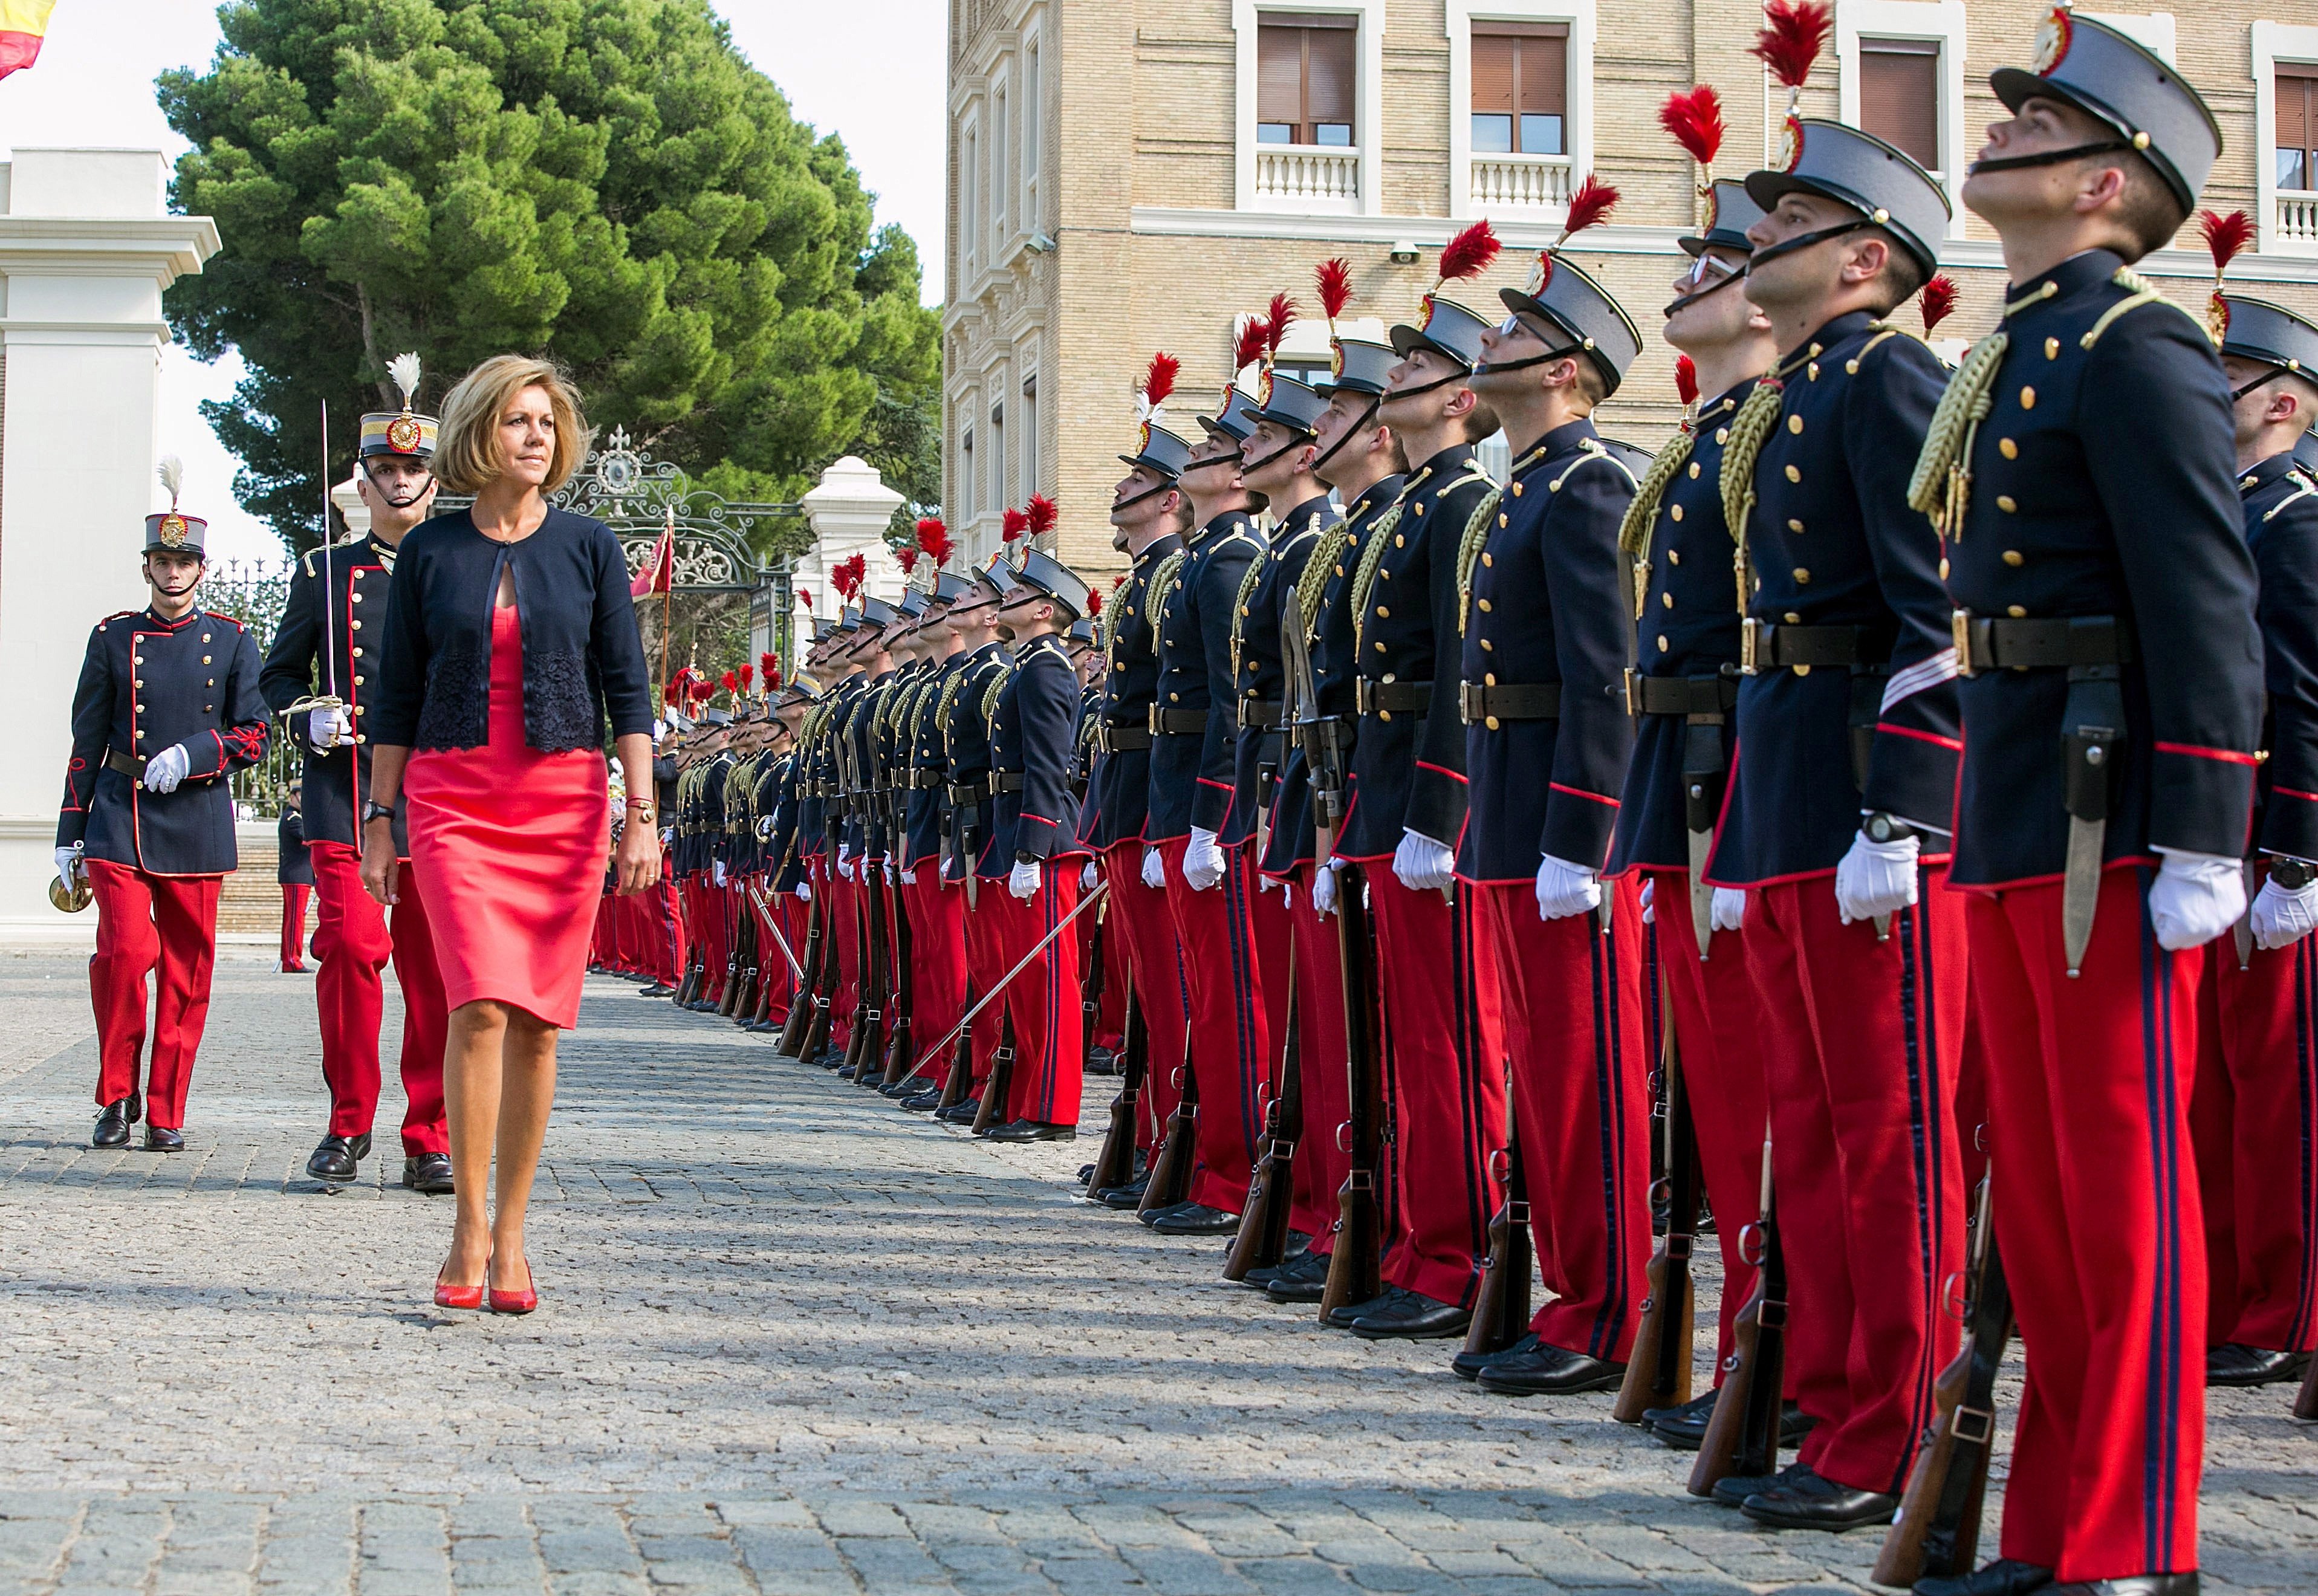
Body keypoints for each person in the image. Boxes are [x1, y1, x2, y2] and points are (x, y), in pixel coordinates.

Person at [1909, 16, 2258, 1591]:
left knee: (2121, 1195)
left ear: (2104, 183)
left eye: (2034, 124)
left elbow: (2203, 593)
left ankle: (2134, 1542)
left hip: (2103, 810)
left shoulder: (2136, 345)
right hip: (2015, 784)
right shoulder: (2018, 343)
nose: (1996, 138)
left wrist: (2209, 825)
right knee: (2039, 1205)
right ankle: (2056, 1528)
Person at [1701, 119, 1967, 1533]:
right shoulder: (1794, 391)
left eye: (1791, 217)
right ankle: (1827, 1400)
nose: (1759, 236)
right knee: (1806, 1127)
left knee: (1886, 1132)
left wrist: (1904, 808)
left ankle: (1893, 1425)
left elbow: (1936, 615)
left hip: (1863, 797)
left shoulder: (1884, 377)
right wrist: (1750, 834)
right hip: (1791, 787)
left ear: (1864, 259)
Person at [363, 354, 658, 1314]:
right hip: (453, 800)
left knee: (537, 1024)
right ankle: (466, 1227)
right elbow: (396, 694)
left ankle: (517, 1233)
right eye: (515, 421)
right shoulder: (430, 554)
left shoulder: (589, 548)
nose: (534, 436)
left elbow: (627, 688)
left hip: (563, 801)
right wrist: (379, 817)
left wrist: (640, 818)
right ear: (477, 434)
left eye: (545, 422)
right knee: (476, 1006)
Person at [1599, 177, 1788, 1450]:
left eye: (1714, 262)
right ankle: (1747, 1347)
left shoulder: (1783, 426)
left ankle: (1781, 1354)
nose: (1686, 280)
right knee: (1722, 1102)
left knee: (1775, 1110)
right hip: (1690, 787)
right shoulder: (1710, 445)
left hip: (1751, 792)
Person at [1458, 245, 1651, 1393]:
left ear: (1566, 372)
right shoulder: (1520, 491)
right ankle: (1571, 1291)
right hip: (1510, 805)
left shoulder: (1586, 489)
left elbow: (1603, 675)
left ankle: (1607, 1309)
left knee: (1586, 1079)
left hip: (1556, 823)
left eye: (1513, 331)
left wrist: (1580, 832)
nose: (1490, 343)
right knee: (1542, 1074)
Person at [1325, 276, 1501, 1339]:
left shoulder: (1460, 506)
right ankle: (1413, 1244)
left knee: (1446, 1047)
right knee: (1403, 1045)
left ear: (1458, 396)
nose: (1390, 378)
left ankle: (1453, 1258)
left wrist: (1437, 810)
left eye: (1410, 367)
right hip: (1377, 791)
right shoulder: (1408, 512)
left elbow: (1455, 677)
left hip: (1424, 800)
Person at [259, 356, 455, 1192]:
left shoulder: (465, 563)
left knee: (436, 970)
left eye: (415, 468)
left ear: (434, 478)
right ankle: (347, 1123)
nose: (401, 481)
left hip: (438, 793)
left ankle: (429, 1131)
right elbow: (275, 676)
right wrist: (304, 715)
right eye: (388, 469)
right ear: (364, 479)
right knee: (346, 945)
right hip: (344, 789)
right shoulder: (322, 573)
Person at [1253, 331, 1407, 1304]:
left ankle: (1418, 1243)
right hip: (1328, 797)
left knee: (1407, 1042)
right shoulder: (1351, 534)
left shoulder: (1429, 515)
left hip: (1400, 804)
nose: (1315, 433)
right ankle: (1340, 1213)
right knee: (1329, 1031)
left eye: (1331, 414)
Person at [57, 461, 270, 1152]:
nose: (172, 572)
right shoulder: (112, 636)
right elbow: (86, 738)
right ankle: (116, 1095)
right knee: (123, 953)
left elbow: (256, 733)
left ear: (202, 568)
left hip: (197, 816)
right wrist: (68, 832)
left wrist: (199, 753)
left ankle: (167, 1108)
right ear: (145, 566)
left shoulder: (236, 640)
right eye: (161, 560)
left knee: (186, 972)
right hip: (119, 814)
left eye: (184, 561)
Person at [2192, 291, 2318, 1396]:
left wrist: (2298, 852)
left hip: (2273, 839)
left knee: (2280, 1089)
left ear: (2281, 400)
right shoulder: (2230, 511)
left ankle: (2287, 1305)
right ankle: (2231, 1293)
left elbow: (2303, 699)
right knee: (2218, 1086)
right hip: (2217, 831)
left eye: (2227, 377)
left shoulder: (2294, 520)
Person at [1141, 388, 1268, 1236]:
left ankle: (1234, 1176)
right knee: (1201, 1001)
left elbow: (1233, 699)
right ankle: (1210, 1164)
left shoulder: (1227, 561)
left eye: (1211, 449)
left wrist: (1209, 814)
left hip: (1208, 799)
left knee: (1227, 1001)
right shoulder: (1202, 559)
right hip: (1174, 790)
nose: (1192, 460)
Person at [1080, 398, 1197, 1196]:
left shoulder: (1182, 574)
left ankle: (1175, 1143)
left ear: (1167, 499)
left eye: (1139, 479)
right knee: (1152, 990)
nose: (1120, 489)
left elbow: (1199, 706)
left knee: (1172, 990)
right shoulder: (1145, 582)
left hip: (1162, 799)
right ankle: (1153, 1136)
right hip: (1130, 798)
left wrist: (1187, 818)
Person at [978, 543, 1096, 1140]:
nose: (1007, 600)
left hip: (1042, 839)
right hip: (1017, 828)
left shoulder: (1048, 667)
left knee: (1048, 978)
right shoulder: (1029, 665)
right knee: (1026, 982)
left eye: (1019, 594)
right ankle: (1032, 1097)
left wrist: (1033, 847)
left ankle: (1054, 1108)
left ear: (1047, 610)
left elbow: (1051, 765)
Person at [277, 780, 312, 973]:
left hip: (300, 875)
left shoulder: (297, 817)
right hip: (296, 875)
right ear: (293, 797)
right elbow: (307, 838)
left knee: (296, 919)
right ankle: (292, 959)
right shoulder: (293, 818)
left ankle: (292, 957)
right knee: (294, 921)